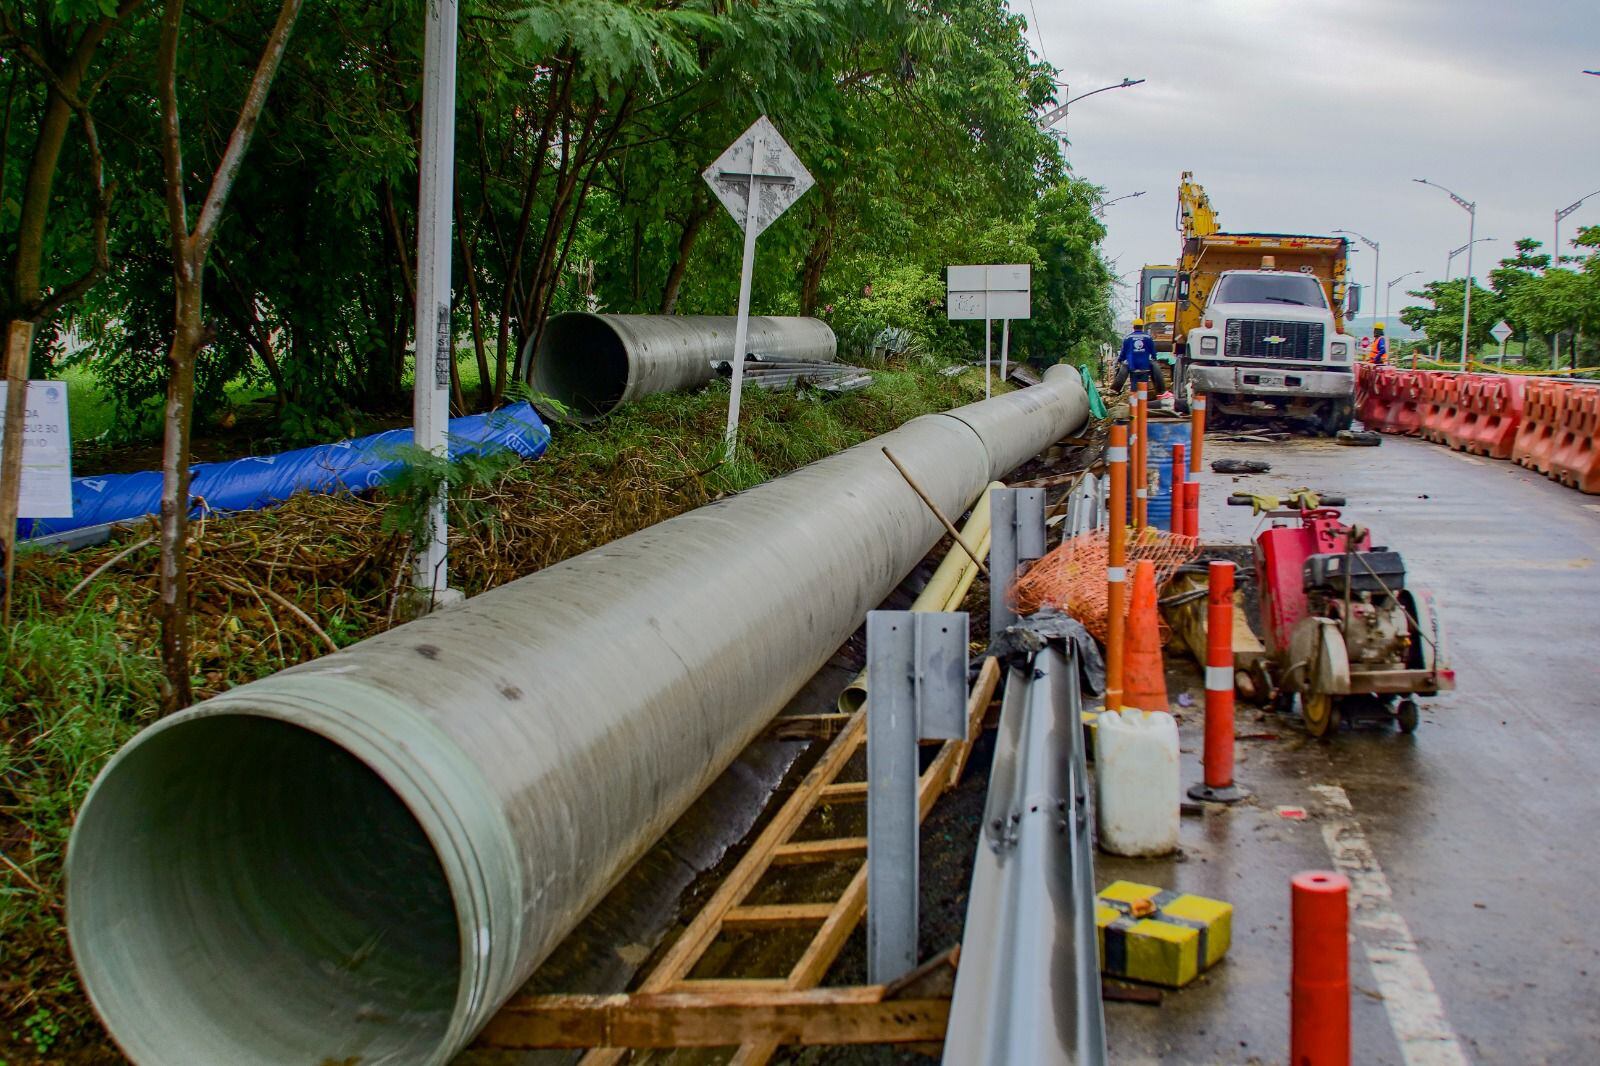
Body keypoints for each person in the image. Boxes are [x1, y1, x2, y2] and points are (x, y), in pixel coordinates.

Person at [1113, 317, 1165, 393]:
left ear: (1133, 327)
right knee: (1143, 388)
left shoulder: (1128, 338)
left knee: (1134, 388)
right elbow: (1153, 353)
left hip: (1133, 367)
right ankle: (1143, 403)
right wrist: (1154, 359)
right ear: (1142, 327)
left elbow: (1123, 353)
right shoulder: (1148, 338)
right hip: (1144, 367)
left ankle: (1135, 402)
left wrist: (1120, 360)